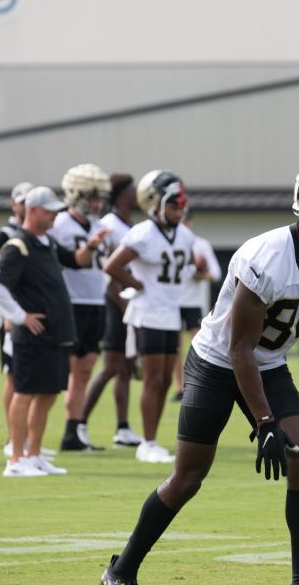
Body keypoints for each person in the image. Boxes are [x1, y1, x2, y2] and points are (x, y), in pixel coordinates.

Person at [98, 158, 299, 585]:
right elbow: (238, 347)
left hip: (267, 365)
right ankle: (121, 571)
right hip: (216, 362)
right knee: (188, 477)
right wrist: (264, 422)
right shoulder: (265, 256)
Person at [103, 171, 197, 464]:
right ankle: (147, 442)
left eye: (181, 205)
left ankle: (151, 440)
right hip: (148, 314)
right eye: (173, 205)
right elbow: (112, 265)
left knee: (167, 381)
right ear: (155, 204)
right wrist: (135, 284)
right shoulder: (143, 233)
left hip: (170, 311)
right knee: (153, 379)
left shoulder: (185, 234)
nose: (179, 211)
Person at [0, 186, 76, 477]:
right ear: (33, 210)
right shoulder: (17, 244)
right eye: (49, 211)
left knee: (48, 394)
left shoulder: (45, 242)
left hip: (54, 333)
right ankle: (16, 459)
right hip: (32, 336)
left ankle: (34, 454)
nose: (53, 217)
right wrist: (19, 315)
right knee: (24, 394)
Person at [51, 164, 114, 452]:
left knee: (85, 369)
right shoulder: (59, 223)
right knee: (64, 371)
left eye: (99, 197)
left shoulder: (102, 227)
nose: (96, 203)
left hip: (95, 303)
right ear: (75, 194)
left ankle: (73, 431)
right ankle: (32, 433)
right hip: (70, 303)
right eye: (91, 196)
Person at [0, 182, 58, 457]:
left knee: (40, 388)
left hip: (44, 328)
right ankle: (15, 445)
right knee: (17, 381)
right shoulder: (11, 238)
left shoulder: (44, 240)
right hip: (16, 324)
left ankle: (31, 448)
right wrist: (15, 314)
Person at [81, 173, 144, 449]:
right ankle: (79, 423)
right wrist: (122, 305)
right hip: (115, 302)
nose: (136, 194)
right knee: (110, 367)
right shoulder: (109, 225)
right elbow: (108, 272)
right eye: (132, 190)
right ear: (120, 194)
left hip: (128, 301)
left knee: (125, 367)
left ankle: (123, 427)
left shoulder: (129, 224)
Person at [171, 211, 222, 402]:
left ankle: (203, 384)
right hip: (173, 302)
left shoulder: (200, 244)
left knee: (200, 345)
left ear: (190, 222)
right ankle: (179, 387)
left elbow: (215, 274)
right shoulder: (167, 241)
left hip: (193, 303)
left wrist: (198, 274)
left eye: (185, 220)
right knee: (175, 348)